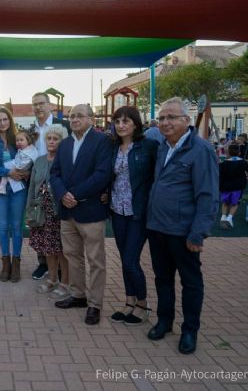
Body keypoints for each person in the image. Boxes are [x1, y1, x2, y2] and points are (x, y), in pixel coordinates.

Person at [146, 97, 219, 355]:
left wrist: (198, 234)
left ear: (186, 121)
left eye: (171, 117)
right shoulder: (163, 147)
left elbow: (208, 195)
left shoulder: (200, 150)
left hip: (184, 232)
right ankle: (165, 321)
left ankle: (190, 330)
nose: (165, 122)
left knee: (190, 282)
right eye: (162, 118)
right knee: (163, 279)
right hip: (158, 228)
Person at [49, 104, 113, 326]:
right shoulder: (65, 144)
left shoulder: (102, 141)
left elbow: (102, 175)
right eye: (71, 116)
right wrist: (62, 194)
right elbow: (54, 173)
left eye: (79, 116)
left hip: (90, 210)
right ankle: (78, 295)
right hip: (67, 212)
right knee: (72, 256)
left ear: (91, 119)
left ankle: (95, 304)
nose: (74, 119)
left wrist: (73, 194)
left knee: (96, 260)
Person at [107, 107, 159, 325]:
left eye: (125, 121)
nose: (121, 125)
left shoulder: (148, 146)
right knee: (124, 259)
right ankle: (129, 302)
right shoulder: (113, 147)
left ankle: (143, 305)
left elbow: (158, 177)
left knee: (131, 260)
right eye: (117, 121)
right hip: (117, 210)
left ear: (135, 124)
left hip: (138, 212)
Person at [0, 107, 28, 283]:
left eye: (5, 120)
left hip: (18, 188)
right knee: (2, 227)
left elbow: (28, 158)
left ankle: (16, 263)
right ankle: (5, 263)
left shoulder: (17, 140)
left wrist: (24, 172)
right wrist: (8, 173)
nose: (3, 123)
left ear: (10, 121)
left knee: (17, 227)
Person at [30, 92, 70, 280]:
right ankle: (43, 264)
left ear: (49, 105)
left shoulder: (63, 126)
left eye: (41, 103)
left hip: (59, 182)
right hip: (37, 181)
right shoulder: (31, 129)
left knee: (58, 229)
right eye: (34, 104)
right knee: (40, 225)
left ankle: (62, 270)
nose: (38, 107)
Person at [218, 143, 248, 229]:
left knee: (225, 202)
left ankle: (223, 217)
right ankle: (229, 218)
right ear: (239, 153)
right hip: (238, 187)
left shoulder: (224, 164)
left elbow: (220, 174)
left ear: (228, 153)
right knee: (235, 203)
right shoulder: (242, 162)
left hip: (225, 186)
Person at [0, 128, 38, 194]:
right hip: (21, 166)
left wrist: (17, 166)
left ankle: (2, 187)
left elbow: (29, 160)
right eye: (17, 140)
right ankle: (2, 186)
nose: (19, 142)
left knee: (6, 167)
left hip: (21, 166)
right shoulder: (25, 149)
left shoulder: (29, 151)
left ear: (28, 141)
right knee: (7, 168)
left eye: (21, 140)